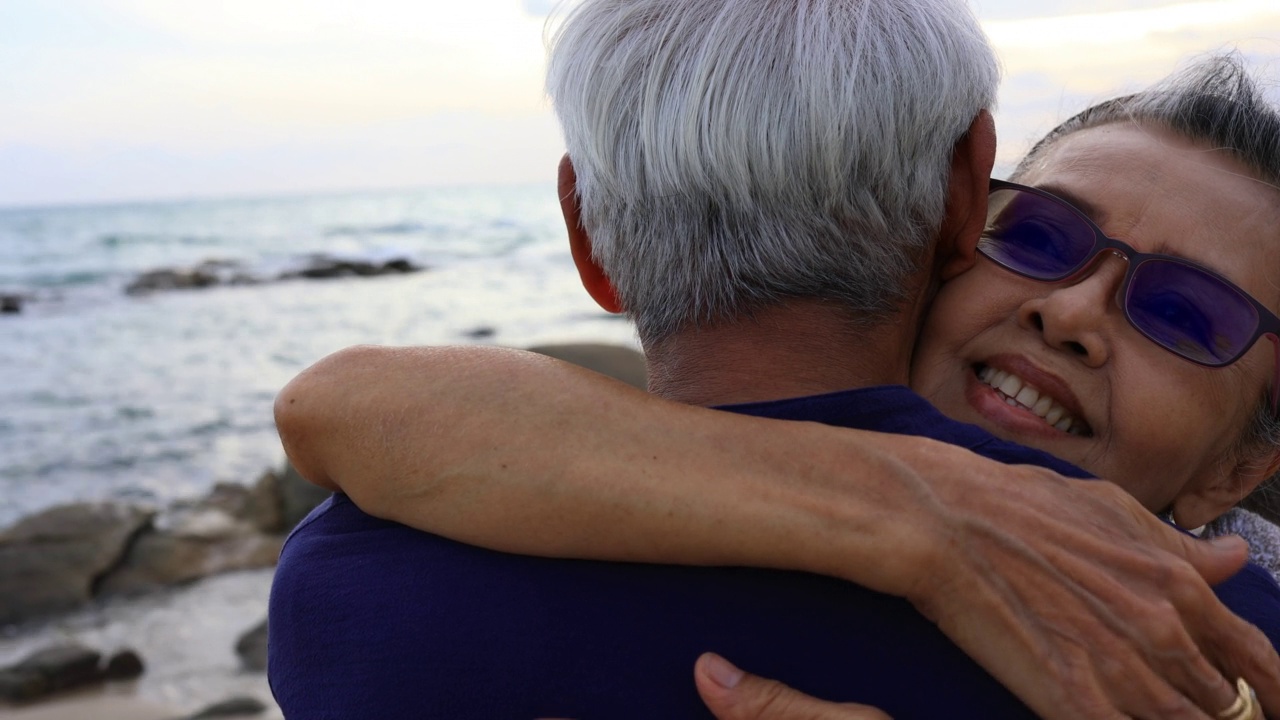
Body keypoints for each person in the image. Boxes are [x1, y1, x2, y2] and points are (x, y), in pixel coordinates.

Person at [269, 1, 1280, 717]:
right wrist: (917, 506)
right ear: (962, 208)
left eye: (1187, 312)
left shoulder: (353, 580)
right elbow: (346, 404)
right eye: (1042, 233)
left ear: (1239, 468)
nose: (1067, 312)